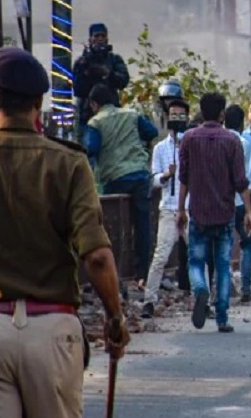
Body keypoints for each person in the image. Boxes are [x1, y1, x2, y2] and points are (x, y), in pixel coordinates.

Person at [0, 47, 130, 418]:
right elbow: (97, 256)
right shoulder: (68, 162)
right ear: (39, 105)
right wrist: (115, 319)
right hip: (52, 329)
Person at [178, 93, 251, 333]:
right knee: (223, 266)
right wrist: (249, 211)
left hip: (198, 212)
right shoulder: (232, 140)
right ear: (222, 114)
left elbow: (184, 178)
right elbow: (240, 180)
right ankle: (222, 317)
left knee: (196, 260)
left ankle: (200, 288)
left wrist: (180, 208)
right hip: (225, 212)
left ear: (201, 112)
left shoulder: (189, 139)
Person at [83, 83, 159, 283]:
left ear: (94, 104)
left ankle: (115, 273)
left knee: (114, 227)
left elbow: (90, 148)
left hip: (114, 178)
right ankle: (142, 272)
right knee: (142, 224)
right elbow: (151, 132)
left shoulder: (95, 122)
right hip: (140, 175)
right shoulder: (131, 114)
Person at [142, 98, 191, 318]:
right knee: (160, 256)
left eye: (181, 115)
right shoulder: (161, 148)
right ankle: (149, 301)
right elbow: (153, 179)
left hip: (191, 208)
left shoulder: (191, 143)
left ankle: (205, 299)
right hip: (169, 208)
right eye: (174, 115)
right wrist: (166, 175)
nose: (177, 119)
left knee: (197, 255)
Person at [224, 105, 251, 302]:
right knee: (247, 243)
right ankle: (246, 289)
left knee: (225, 244)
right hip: (242, 201)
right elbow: (250, 175)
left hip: (224, 201)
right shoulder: (245, 143)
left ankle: (227, 286)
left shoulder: (219, 140)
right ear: (241, 123)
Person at [72, 22, 130, 130]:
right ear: (90, 39)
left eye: (103, 36)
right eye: (96, 36)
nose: (100, 39)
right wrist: (85, 72)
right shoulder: (82, 61)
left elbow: (124, 80)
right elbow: (77, 90)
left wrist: (108, 74)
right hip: (87, 115)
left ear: (107, 39)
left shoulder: (114, 59)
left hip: (111, 113)